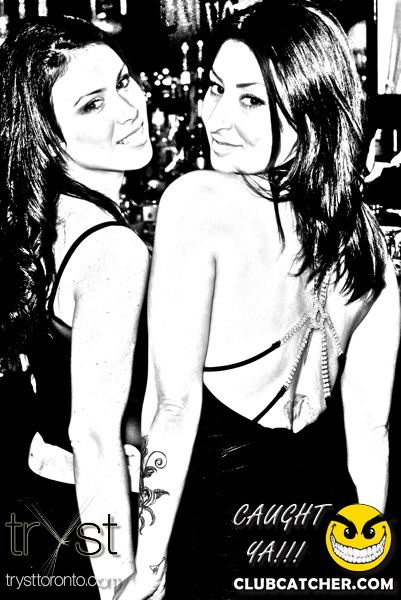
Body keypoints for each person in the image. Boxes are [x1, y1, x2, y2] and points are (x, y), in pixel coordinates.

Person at [115, 2, 400, 599]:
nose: (216, 117)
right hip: (324, 529)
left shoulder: (196, 204)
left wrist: (147, 565)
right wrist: (364, 565)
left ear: (310, 108)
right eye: (216, 89)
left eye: (252, 100)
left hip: (220, 534)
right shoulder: (368, 241)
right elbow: (371, 432)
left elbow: (174, 409)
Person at [0, 16, 151, 599]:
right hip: (93, 521)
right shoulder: (113, 248)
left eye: (124, 82)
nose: (129, 108)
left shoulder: (44, 220)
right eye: (92, 104)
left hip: (41, 503)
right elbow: (93, 435)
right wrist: (118, 581)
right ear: (48, 135)